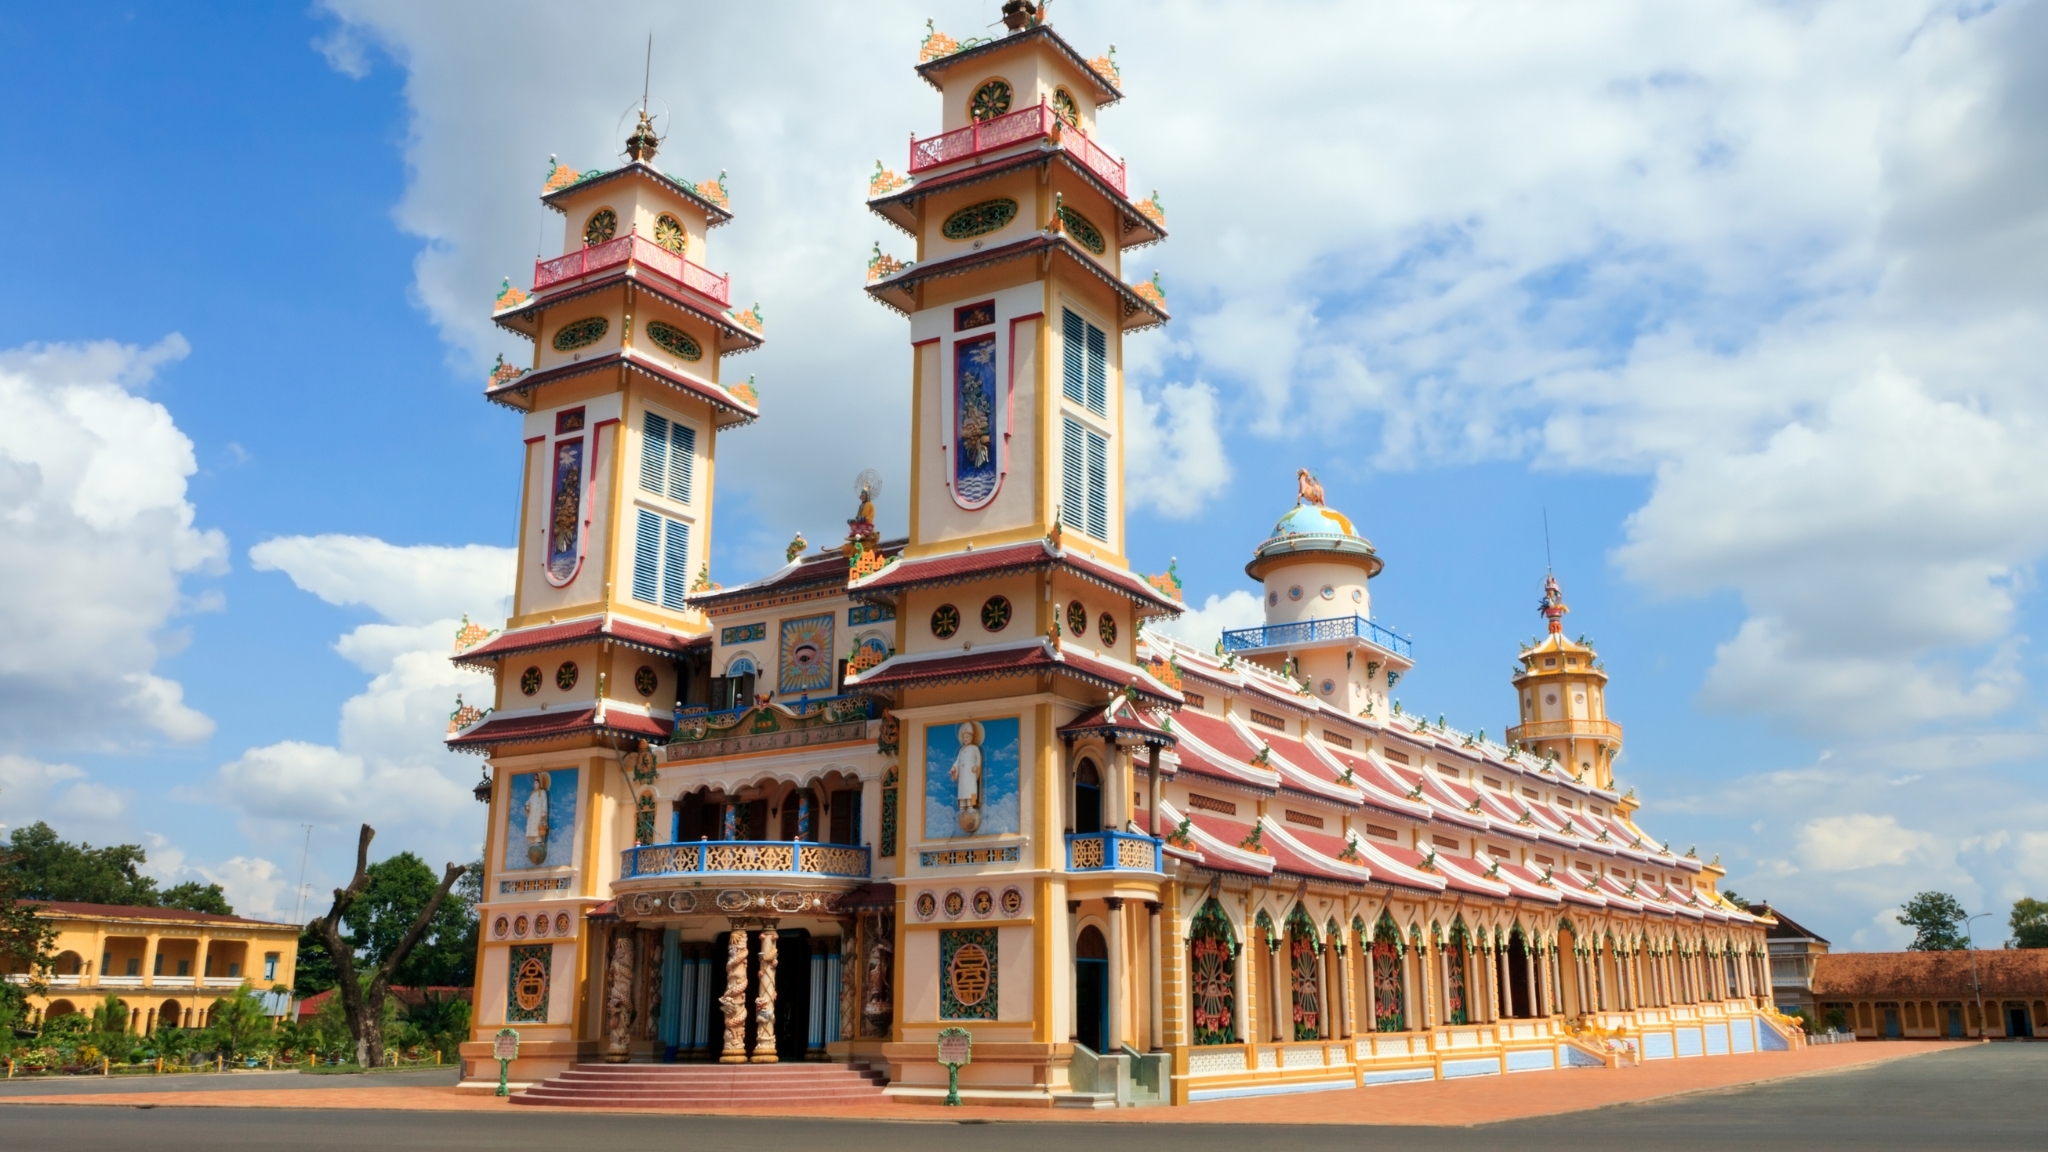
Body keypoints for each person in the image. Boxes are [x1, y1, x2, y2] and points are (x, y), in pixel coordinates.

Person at [948, 721, 984, 831]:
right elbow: (957, 761)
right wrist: (954, 769)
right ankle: (963, 807)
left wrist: (976, 767)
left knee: (970, 790)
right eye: (964, 737)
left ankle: (970, 806)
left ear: (972, 737)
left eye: (967, 737)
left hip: (970, 773)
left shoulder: (975, 749)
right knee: (963, 790)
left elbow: (978, 759)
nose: (965, 739)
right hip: (963, 774)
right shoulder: (962, 750)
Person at [523, 771, 552, 864]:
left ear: (540, 783)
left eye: (537, 782)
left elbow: (544, 802)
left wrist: (543, 812)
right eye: (534, 782)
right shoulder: (532, 794)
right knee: (532, 826)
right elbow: (528, 802)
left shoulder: (542, 792)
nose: (535, 784)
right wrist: (527, 807)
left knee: (538, 828)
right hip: (532, 815)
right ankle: (532, 841)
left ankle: (538, 840)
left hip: (538, 814)